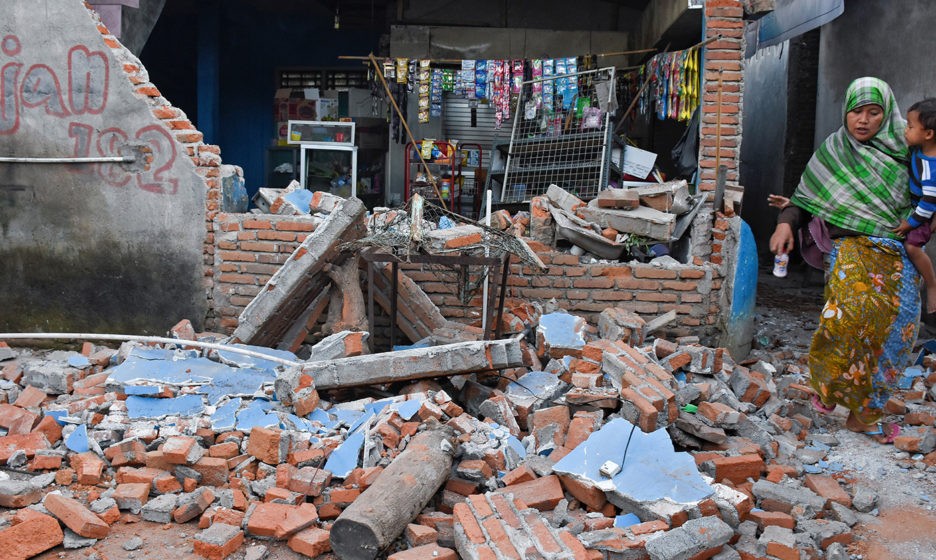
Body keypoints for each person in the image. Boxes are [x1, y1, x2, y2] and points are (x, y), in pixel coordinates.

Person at [769, 77, 917, 444]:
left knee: (897, 333)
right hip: (850, 247)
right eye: (856, 111)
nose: (863, 120)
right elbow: (806, 198)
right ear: (845, 112)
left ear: (888, 113)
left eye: (873, 112)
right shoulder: (834, 151)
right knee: (847, 321)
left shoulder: (909, 149)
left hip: (900, 252)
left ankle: (864, 415)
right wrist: (785, 223)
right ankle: (829, 387)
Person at [892, 98, 936, 313]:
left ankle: (932, 285)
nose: (905, 131)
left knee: (912, 247)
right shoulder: (919, 150)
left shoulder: (931, 168)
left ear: (928, 134)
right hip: (920, 207)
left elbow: (928, 204)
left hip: (923, 213)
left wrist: (910, 224)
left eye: (910, 127)